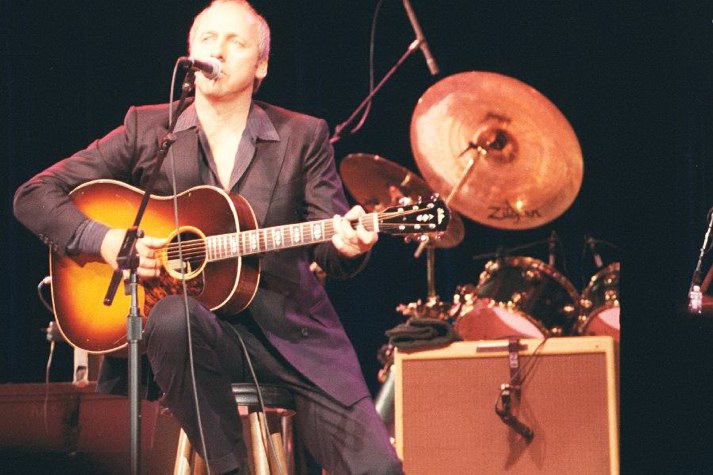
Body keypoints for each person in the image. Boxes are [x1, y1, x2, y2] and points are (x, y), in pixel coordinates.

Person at [13, 1, 403, 473]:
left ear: (261, 65)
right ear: (190, 55)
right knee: (171, 317)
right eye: (207, 39)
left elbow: (330, 245)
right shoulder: (148, 128)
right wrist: (105, 239)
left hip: (289, 334)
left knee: (378, 469)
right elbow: (34, 195)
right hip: (192, 339)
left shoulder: (302, 136)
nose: (217, 50)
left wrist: (348, 245)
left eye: (235, 42)